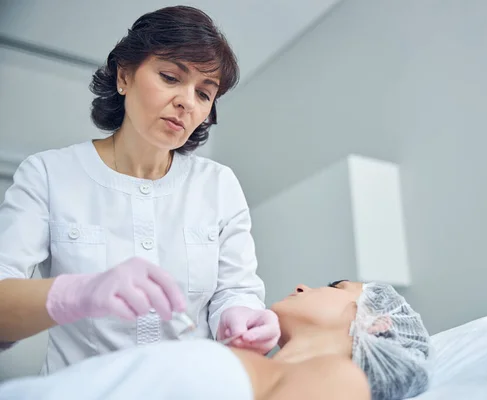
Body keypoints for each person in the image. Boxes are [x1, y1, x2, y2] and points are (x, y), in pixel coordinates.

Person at [0, 6, 280, 374]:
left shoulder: (218, 185)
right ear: (124, 77)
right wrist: (81, 292)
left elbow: (235, 289)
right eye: (170, 77)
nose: (186, 102)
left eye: (204, 93)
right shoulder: (49, 174)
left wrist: (239, 314)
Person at [0, 280, 433, 400]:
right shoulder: (250, 367)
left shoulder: (338, 379)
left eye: (336, 287)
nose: (303, 286)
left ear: (377, 325)